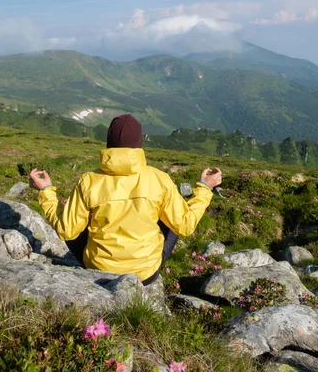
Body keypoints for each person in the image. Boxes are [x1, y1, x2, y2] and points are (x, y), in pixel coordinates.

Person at [30, 114, 222, 285]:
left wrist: (46, 191)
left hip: (99, 269)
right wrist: (205, 188)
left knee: (74, 221)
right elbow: (186, 226)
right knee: (175, 219)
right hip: (145, 275)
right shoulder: (159, 179)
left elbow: (66, 230)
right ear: (139, 144)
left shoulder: (89, 181)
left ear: (108, 143)